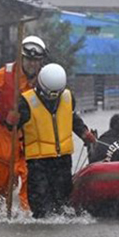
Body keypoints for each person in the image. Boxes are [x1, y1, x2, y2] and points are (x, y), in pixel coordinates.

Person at [0, 36, 47, 211]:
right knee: (1, 182)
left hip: (31, 136)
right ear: (21, 58)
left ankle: (27, 214)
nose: (32, 64)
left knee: (31, 179)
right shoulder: (2, 76)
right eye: (28, 60)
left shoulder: (46, 79)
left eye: (36, 61)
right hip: (4, 134)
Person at [14, 63, 96, 218]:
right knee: (41, 204)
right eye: (50, 94)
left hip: (62, 160)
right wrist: (10, 121)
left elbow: (72, 119)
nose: (53, 98)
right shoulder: (25, 102)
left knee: (63, 202)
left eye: (56, 94)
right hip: (38, 162)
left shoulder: (67, 97)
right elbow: (11, 127)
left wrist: (84, 133)